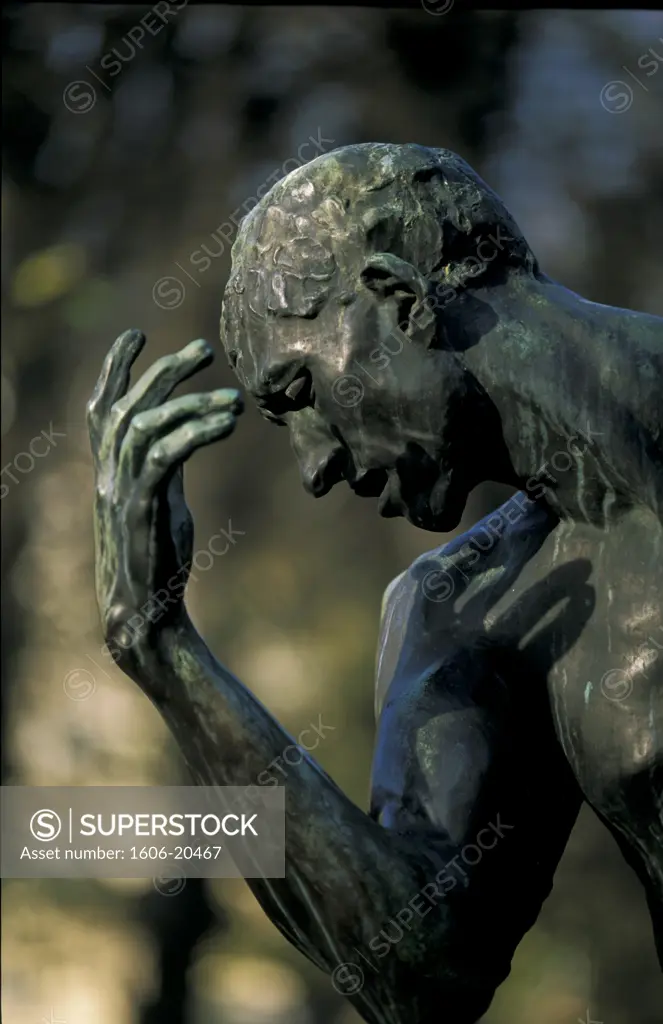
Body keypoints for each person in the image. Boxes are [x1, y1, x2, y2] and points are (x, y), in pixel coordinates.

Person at [88, 143, 662, 1023]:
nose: (313, 468)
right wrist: (162, 651)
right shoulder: (464, 610)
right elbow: (421, 978)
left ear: (402, 303)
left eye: (300, 393)